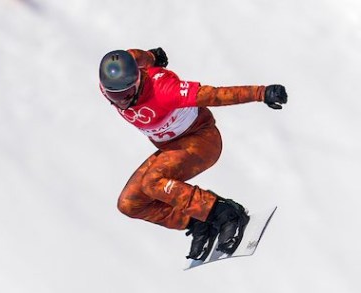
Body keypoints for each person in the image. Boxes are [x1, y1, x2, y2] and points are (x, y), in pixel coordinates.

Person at [98, 47, 287, 260]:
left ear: (138, 80)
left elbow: (215, 95)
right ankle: (199, 221)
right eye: (113, 96)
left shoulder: (165, 90)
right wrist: (152, 56)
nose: (122, 102)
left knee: (152, 182)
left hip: (202, 141)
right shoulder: (114, 82)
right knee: (129, 203)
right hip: (172, 148)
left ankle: (225, 214)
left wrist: (261, 93)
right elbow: (135, 56)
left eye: (127, 94)